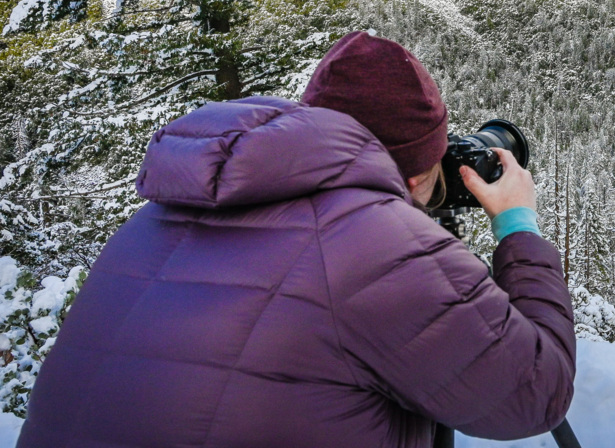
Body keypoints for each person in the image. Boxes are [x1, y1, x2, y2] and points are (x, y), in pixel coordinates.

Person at [18, 32, 575, 448]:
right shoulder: (381, 249)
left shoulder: (153, 218)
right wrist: (517, 226)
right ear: (412, 175)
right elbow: (535, 393)